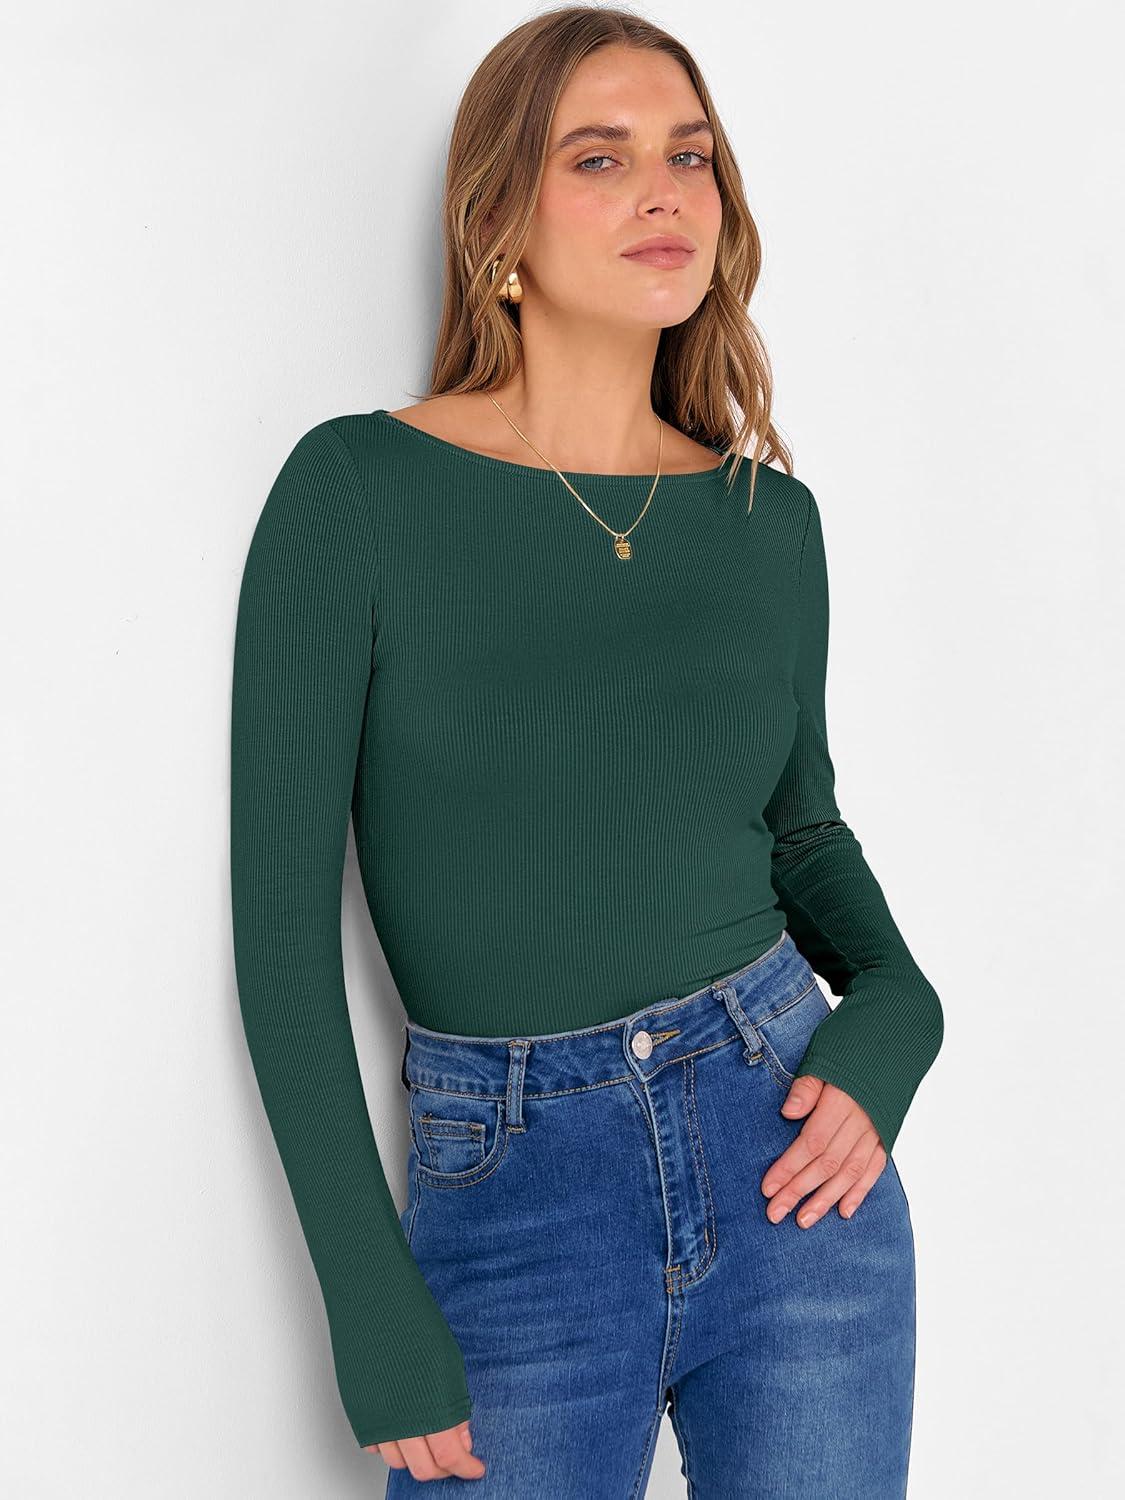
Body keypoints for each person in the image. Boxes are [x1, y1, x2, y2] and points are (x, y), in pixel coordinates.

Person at [229, 7, 944, 1494]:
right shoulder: (354, 491)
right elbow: (282, 938)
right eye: (600, 158)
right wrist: (369, 1303)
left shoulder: (767, 524)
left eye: (690, 156)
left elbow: (801, 830)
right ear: (499, 219)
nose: (664, 192)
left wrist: (899, 1010)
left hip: (787, 1164)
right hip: (512, 1196)